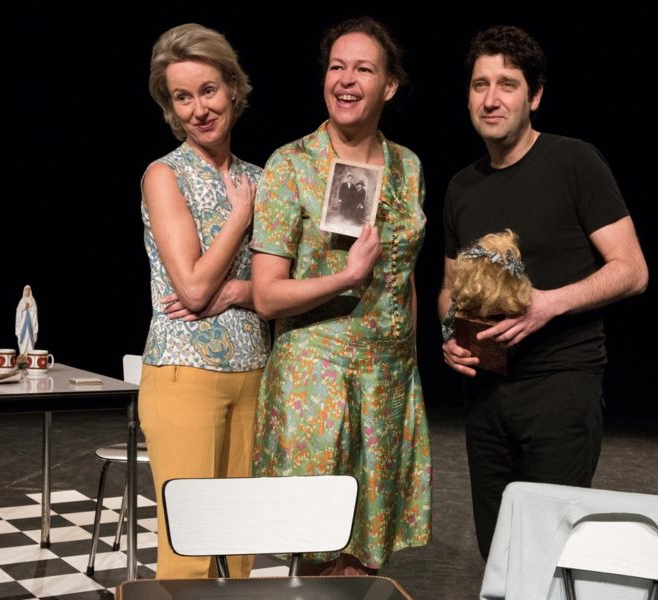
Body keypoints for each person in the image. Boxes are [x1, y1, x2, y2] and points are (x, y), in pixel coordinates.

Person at [438, 25, 649, 559]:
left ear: (534, 96)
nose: (491, 99)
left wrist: (549, 303)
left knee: (554, 552)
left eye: (507, 84)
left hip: (560, 388)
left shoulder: (573, 162)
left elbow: (632, 269)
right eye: (480, 84)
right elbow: (449, 288)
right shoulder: (462, 187)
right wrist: (449, 335)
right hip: (486, 395)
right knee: (498, 552)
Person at [250, 17, 431, 576]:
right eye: (337, 67)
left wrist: (410, 362)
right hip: (316, 378)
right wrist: (344, 278)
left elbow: (404, 273)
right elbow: (267, 296)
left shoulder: (407, 166)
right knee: (319, 548)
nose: (346, 80)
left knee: (368, 556)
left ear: (390, 86)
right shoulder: (291, 164)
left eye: (363, 69)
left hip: (388, 380)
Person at [138, 23, 270, 579]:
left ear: (233, 87)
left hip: (255, 372)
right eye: (183, 97)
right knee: (189, 555)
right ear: (170, 107)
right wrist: (240, 217)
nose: (199, 109)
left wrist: (239, 291)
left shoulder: (262, 177)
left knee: (240, 551)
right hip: (184, 373)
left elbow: (276, 288)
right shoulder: (164, 175)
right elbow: (192, 289)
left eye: (208, 90)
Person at [15, 284, 38, 360]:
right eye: (26, 290)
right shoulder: (22, 301)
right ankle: (22, 355)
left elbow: (34, 312)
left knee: (29, 339)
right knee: (23, 338)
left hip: (30, 324)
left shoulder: (32, 301)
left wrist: (30, 307)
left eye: (28, 290)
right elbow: (18, 311)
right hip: (23, 325)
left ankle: (30, 355)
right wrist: (24, 307)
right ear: (24, 291)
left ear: (30, 291)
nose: (27, 292)